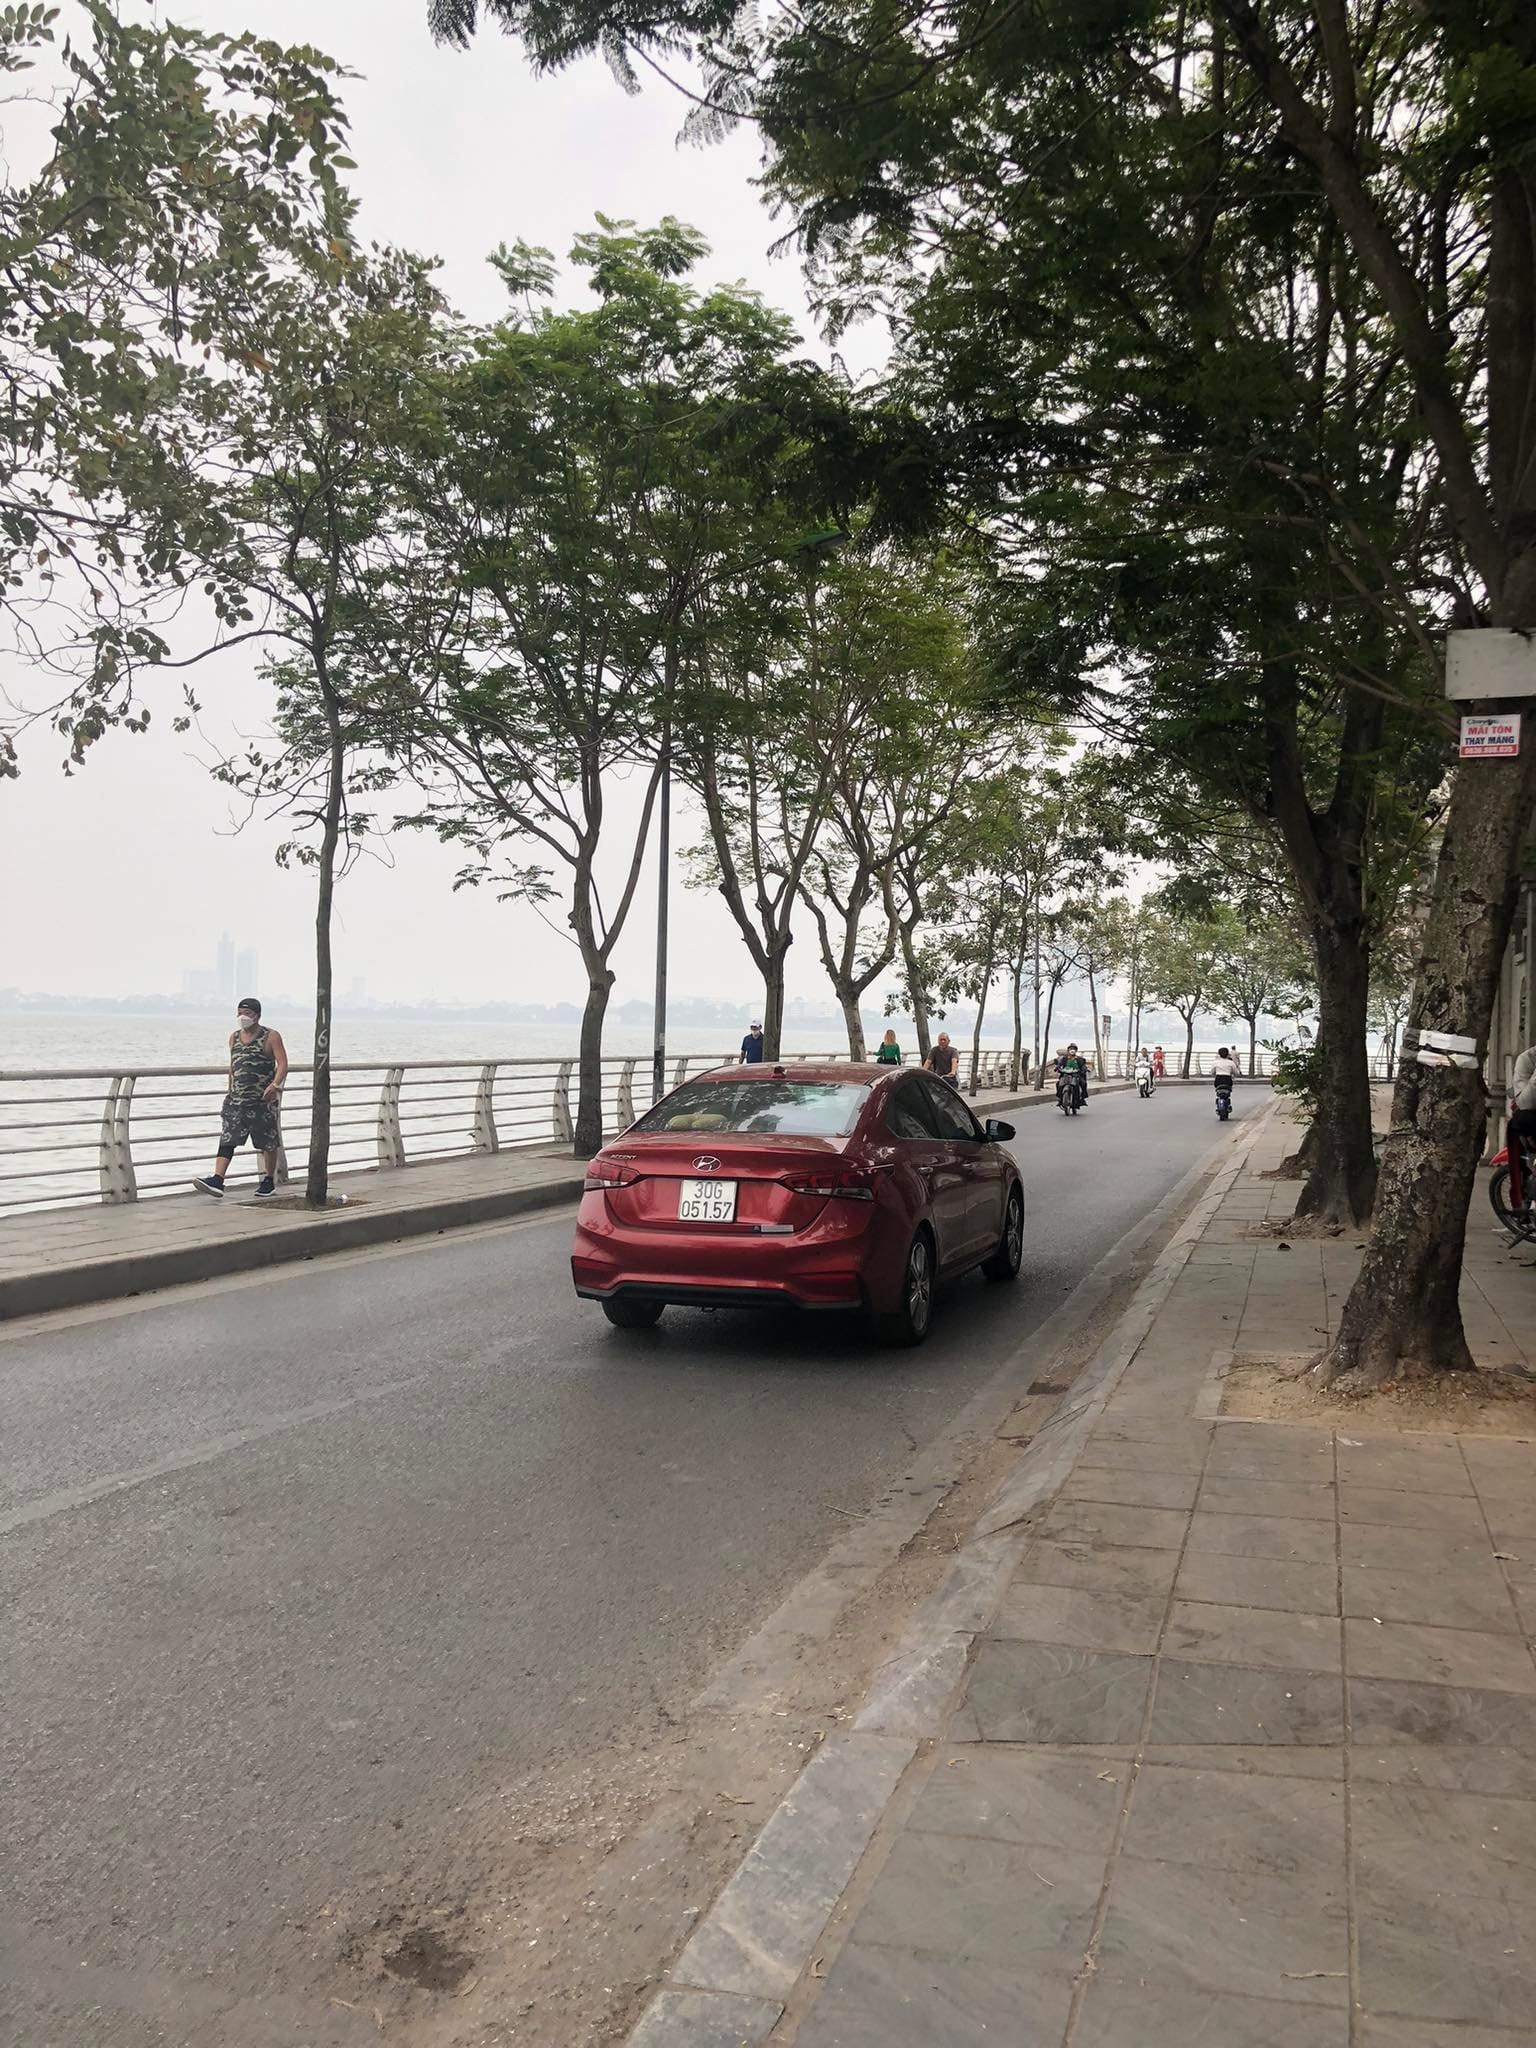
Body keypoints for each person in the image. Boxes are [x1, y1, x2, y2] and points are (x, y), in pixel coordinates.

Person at [193, 996, 288, 1199]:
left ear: (257, 1016)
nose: (242, 1017)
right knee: (228, 1138)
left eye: (247, 1013)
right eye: (240, 1013)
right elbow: (233, 1067)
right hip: (236, 1101)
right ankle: (218, 1180)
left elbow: (283, 1063)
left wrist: (275, 1085)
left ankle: (268, 1181)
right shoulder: (234, 1037)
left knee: (267, 1142)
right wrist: (230, 1091)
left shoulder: (271, 1036)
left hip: (262, 1101)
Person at [1055, 1042, 1089, 1108]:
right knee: (1058, 1084)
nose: (1072, 1050)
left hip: (1076, 1075)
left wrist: (1083, 1070)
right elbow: (1060, 1064)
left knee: (1083, 1083)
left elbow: (1083, 1066)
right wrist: (1057, 1068)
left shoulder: (1079, 1059)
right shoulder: (1064, 1059)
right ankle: (1060, 1098)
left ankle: (1082, 1098)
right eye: (1071, 1049)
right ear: (1068, 1050)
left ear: (1076, 1050)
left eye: (1073, 1049)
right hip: (1065, 1075)